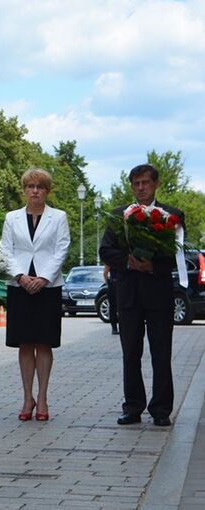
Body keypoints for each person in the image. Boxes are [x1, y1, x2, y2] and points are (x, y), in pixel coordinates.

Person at [100, 164, 185, 427]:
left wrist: (153, 265)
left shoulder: (171, 215)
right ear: (131, 186)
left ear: (156, 184)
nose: (141, 188)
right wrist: (128, 261)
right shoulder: (118, 216)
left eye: (145, 182)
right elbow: (105, 250)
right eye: (136, 183)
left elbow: (177, 255)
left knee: (161, 352)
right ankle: (133, 406)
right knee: (130, 353)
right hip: (128, 294)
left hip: (158, 293)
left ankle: (161, 409)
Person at [0, 168, 70, 422]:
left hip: (47, 286)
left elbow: (62, 248)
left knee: (44, 342)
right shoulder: (12, 218)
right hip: (19, 285)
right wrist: (20, 275)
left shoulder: (58, 217)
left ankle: (42, 398)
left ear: (47, 191)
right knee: (25, 342)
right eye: (30, 187)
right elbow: (5, 249)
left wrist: (43, 278)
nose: (35, 191)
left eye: (40, 187)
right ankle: (27, 397)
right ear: (24, 190)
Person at [103, 264, 119, 335]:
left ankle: (114, 328)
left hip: (113, 284)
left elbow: (105, 273)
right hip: (123, 284)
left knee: (113, 308)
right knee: (122, 307)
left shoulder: (109, 259)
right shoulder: (124, 257)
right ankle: (123, 327)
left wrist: (108, 283)